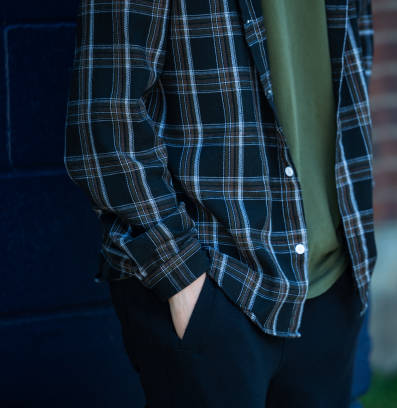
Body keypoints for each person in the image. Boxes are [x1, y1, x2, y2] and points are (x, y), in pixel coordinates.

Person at [63, 0, 376, 406]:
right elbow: (103, 117)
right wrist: (181, 279)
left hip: (331, 281)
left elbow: (356, 56)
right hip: (217, 283)